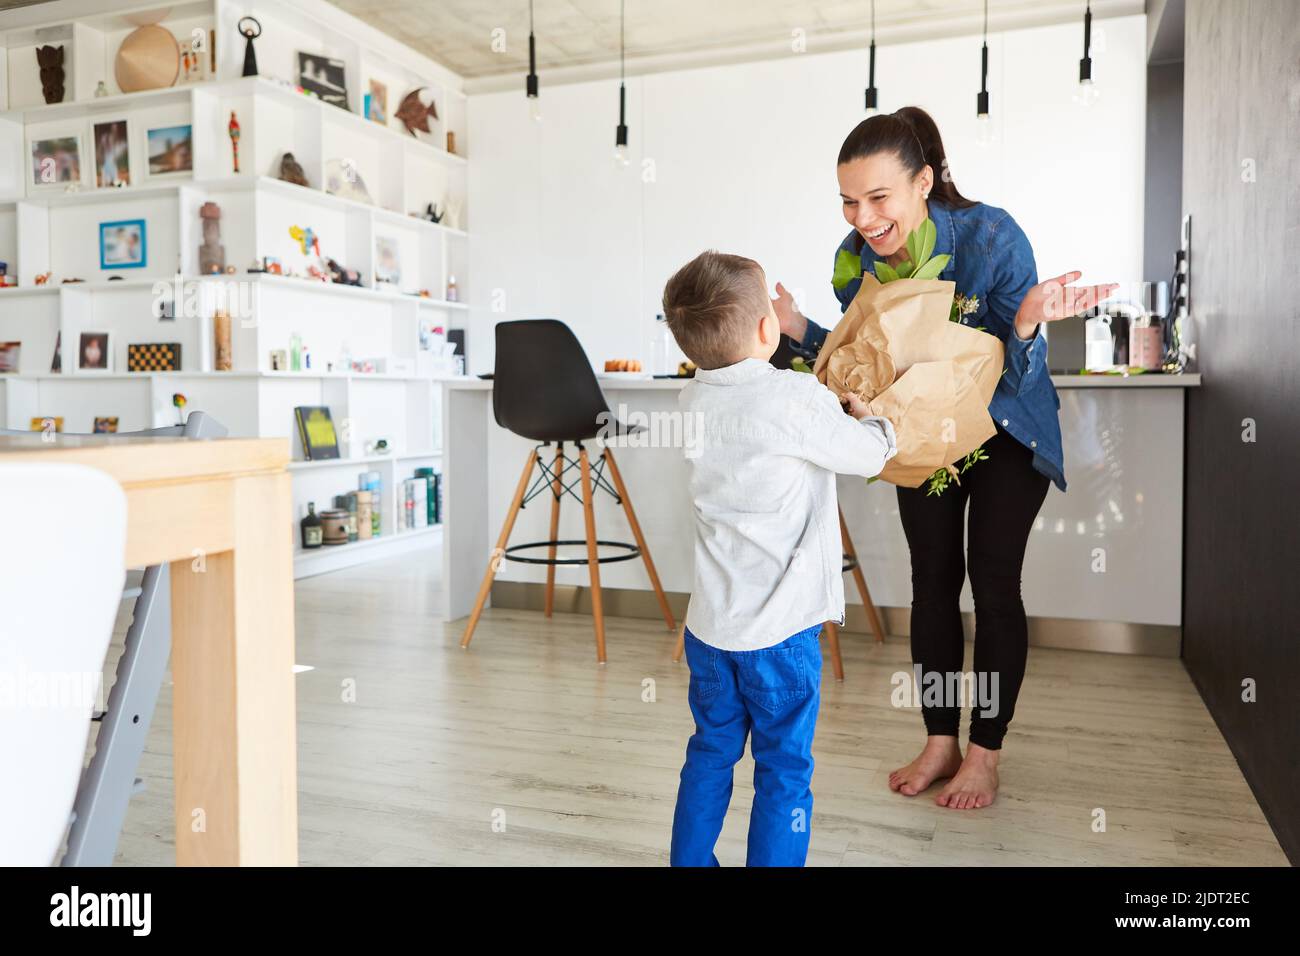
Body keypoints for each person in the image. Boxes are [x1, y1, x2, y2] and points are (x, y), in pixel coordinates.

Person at [773, 107, 1116, 809]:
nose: (862, 216)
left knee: (992, 584)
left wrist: (1023, 324)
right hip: (924, 438)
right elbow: (861, 366)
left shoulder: (991, 236)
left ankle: (985, 753)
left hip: (1006, 431)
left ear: (923, 181)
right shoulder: (858, 262)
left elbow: (1016, 378)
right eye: (848, 200)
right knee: (931, 582)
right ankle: (940, 740)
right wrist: (797, 331)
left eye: (878, 197)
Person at [662, 250, 898, 865]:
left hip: (711, 632)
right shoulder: (794, 397)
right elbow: (866, 457)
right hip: (780, 637)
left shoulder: (692, 403)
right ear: (769, 328)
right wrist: (874, 424)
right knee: (784, 770)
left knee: (710, 751)